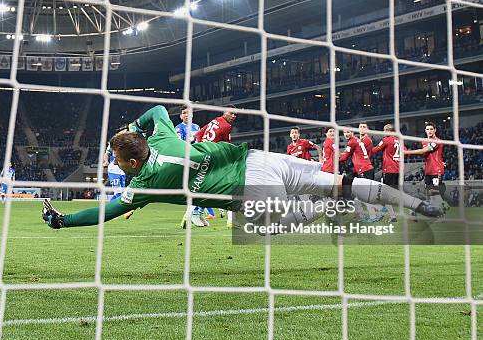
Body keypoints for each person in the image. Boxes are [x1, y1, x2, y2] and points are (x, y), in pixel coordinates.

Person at [40, 106, 445, 230]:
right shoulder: (162, 134)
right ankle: (418, 205)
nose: (117, 167)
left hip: (247, 190)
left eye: (118, 161)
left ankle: (339, 211)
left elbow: (106, 211)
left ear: (131, 161)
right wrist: (134, 126)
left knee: (291, 221)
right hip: (260, 159)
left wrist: (65, 221)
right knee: (341, 181)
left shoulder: (144, 182)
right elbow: (159, 110)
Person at [193, 105, 237, 226]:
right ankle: (230, 219)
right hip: (212, 159)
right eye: (231, 113)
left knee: (206, 187)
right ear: (225, 113)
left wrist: (202, 147)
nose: (233, 116)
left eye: (235, 114)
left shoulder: (215, 120)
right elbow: (227, 146)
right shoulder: (226, 126)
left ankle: (195, 214)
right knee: (228, 184)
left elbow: (199, 134)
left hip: (202, 155)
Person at [174, 105, 210, 227]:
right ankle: (193, 214)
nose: (186, 115)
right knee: (199, 186)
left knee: (206, 186)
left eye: (188, 113)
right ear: (180, 116)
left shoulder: (196, 127)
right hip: (188, 161)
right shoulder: (178, 128)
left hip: (198, 159)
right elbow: (178, 145)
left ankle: (198, 213)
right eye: (184, 113)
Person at [404, 123, 448, 209]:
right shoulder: (424, 141)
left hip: (436, 169)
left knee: (436, 191)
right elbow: (425, 153)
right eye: (427, 129)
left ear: (435, 130)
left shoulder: (437, 140)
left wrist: (407, 152)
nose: (429, 131)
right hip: (428, 170)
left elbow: (423, 151)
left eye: (431, 129)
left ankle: (441, 211)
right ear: (425, 131)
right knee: (430, 192)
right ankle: (441, 207)